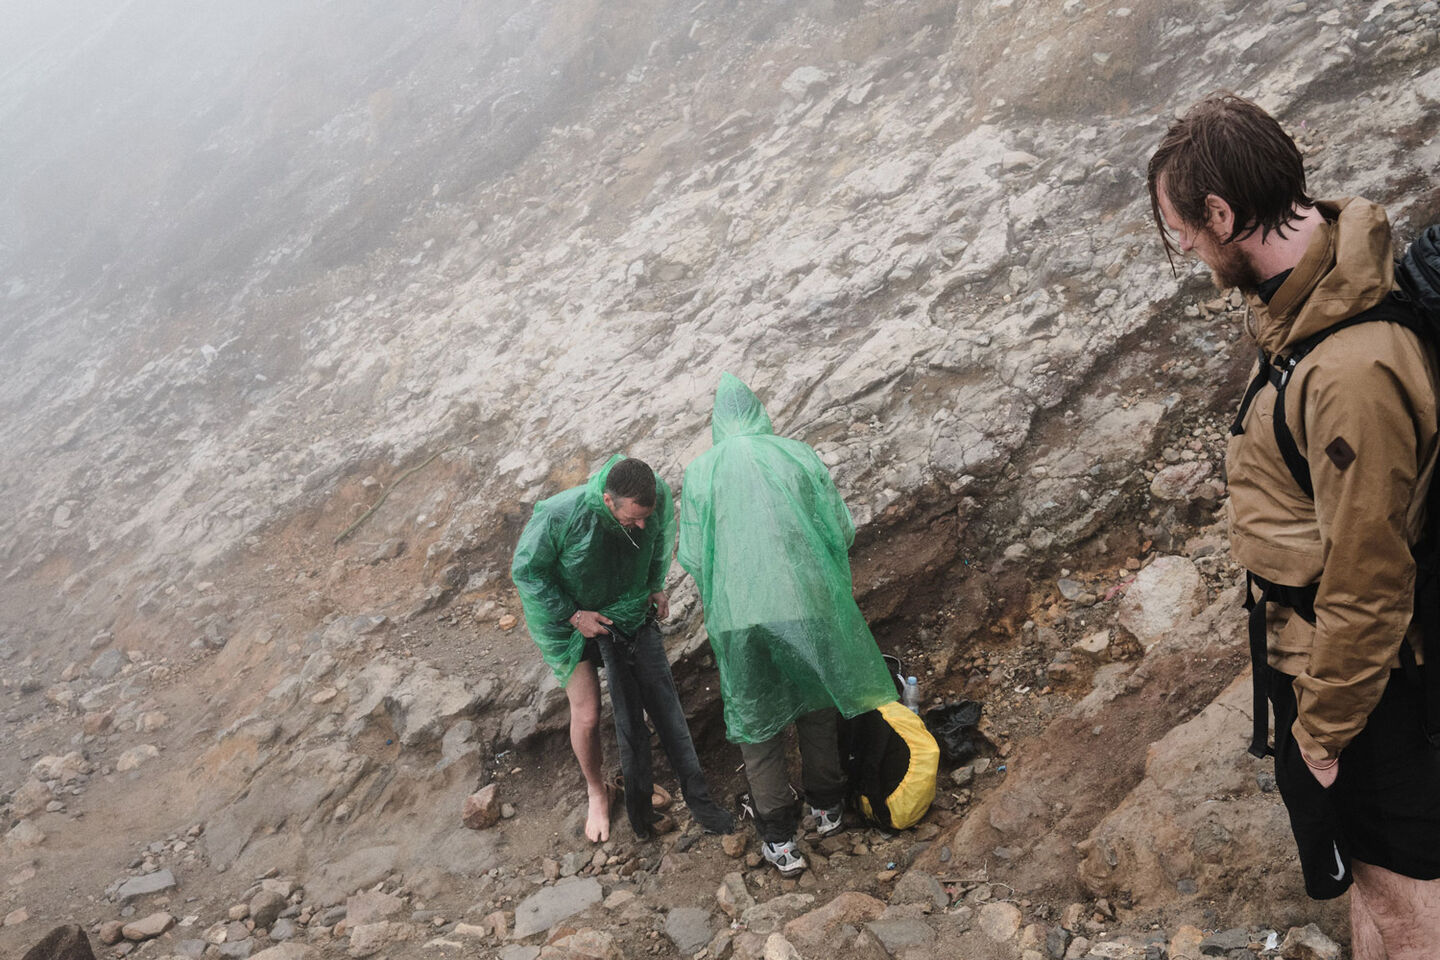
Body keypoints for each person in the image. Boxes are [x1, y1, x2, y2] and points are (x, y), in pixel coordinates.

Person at [1148, 93, 1440, 958]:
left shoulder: (1349, 368)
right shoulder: (1305, 300)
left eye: (1183, 231)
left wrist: (1321, 733)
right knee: (1371, 885)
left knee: (1410, 913)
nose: (1186, 250)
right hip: (1327, 668)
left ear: (1221, 214)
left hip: (1373, 690)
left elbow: (1371, 578)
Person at [677, 374, 897, 875]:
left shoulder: (701, 471)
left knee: (757, 721)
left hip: (738, 616)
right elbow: (839, 529)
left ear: (717, 421)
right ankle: (827, 808)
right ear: (760, 411)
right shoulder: (795, 454)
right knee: (816, 704)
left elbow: (692, 555)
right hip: (804, 602)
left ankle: (779, 840)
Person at [512, 455, 734, 842]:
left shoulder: (652, 500)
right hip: (566, 618)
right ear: (608, 500)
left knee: (659, 699)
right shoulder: (561, 515)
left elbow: (658, 539)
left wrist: (655, 585)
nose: (642, 524)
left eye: (646, 516)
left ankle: (684, 793)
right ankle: (597, 792)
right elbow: (527, 572)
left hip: (625, 606)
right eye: (633, 518)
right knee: (588, 714)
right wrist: (573, 614)